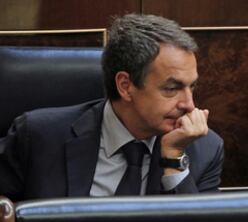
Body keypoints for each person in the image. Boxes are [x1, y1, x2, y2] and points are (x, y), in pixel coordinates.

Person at [0, 14, 224, 201]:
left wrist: (174, 159)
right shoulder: (38, 138)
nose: (189, 104)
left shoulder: (204, 149)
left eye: (191, 87)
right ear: (126, 86)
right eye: (172, 88)